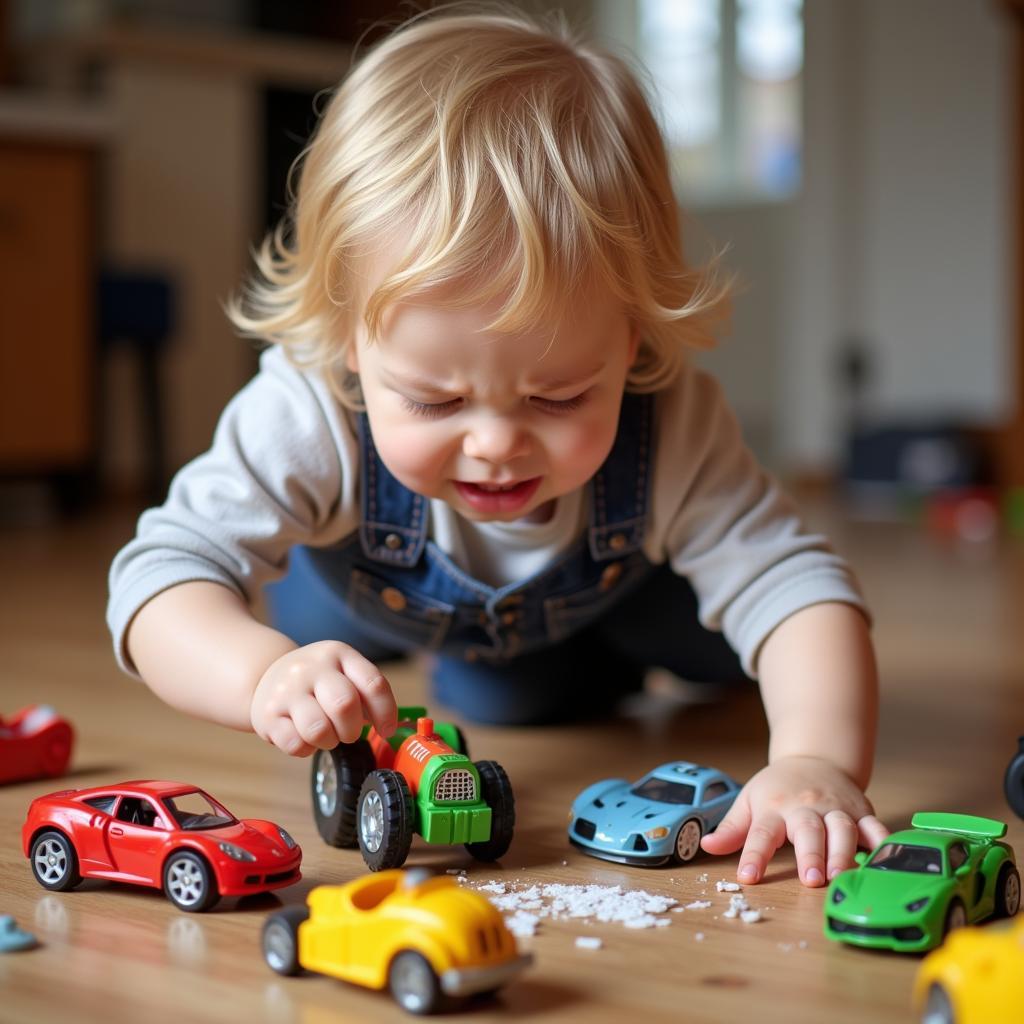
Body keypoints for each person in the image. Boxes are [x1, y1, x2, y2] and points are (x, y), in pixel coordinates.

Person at [107, 5, 887, 887]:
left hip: (613, 594)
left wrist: (817, 758)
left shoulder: (670, 424)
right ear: (350, 340)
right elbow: (160, 580)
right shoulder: (306, 407)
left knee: (675, 666)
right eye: (434, 398)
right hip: (353, 612)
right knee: (348, 672)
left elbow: (799, 592)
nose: (495, 444)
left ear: (630, 340)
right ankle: (417, 661)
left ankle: (559, 662)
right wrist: (263, 675)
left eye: (558, 395)